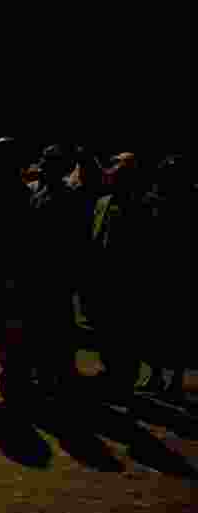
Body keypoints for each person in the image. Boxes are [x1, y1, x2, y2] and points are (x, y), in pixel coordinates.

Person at [21, 144, 89, 396]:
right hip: (37, 270)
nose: (43, 166)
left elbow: (75, 237)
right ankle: (44, 371)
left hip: (57, 271)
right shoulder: (36, 192)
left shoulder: (69, 196)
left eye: (48, 162)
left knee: (58, 324)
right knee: (39, 323)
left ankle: (61, 374)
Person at [86, 153, 153, 400]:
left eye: (119, 173)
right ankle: (111, 374)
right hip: (101, 279)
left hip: (127, 282)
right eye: (113, 172)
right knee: (105, 332)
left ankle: (124, 383)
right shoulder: (102, 201)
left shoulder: (143, 205)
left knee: (125, 335)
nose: (112, 175)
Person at [0, 137, 33, 400]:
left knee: (12, 322)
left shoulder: (21, 193)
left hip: (12, 269)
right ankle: (10, 367)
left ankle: (17, 370)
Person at [141, 155, 193, 397]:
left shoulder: (186, 200)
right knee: (157, 329)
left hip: (176, 273)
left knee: (175, 329)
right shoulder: (153, 200)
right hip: (158, 272)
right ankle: (158, 376)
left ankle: (173, 379)